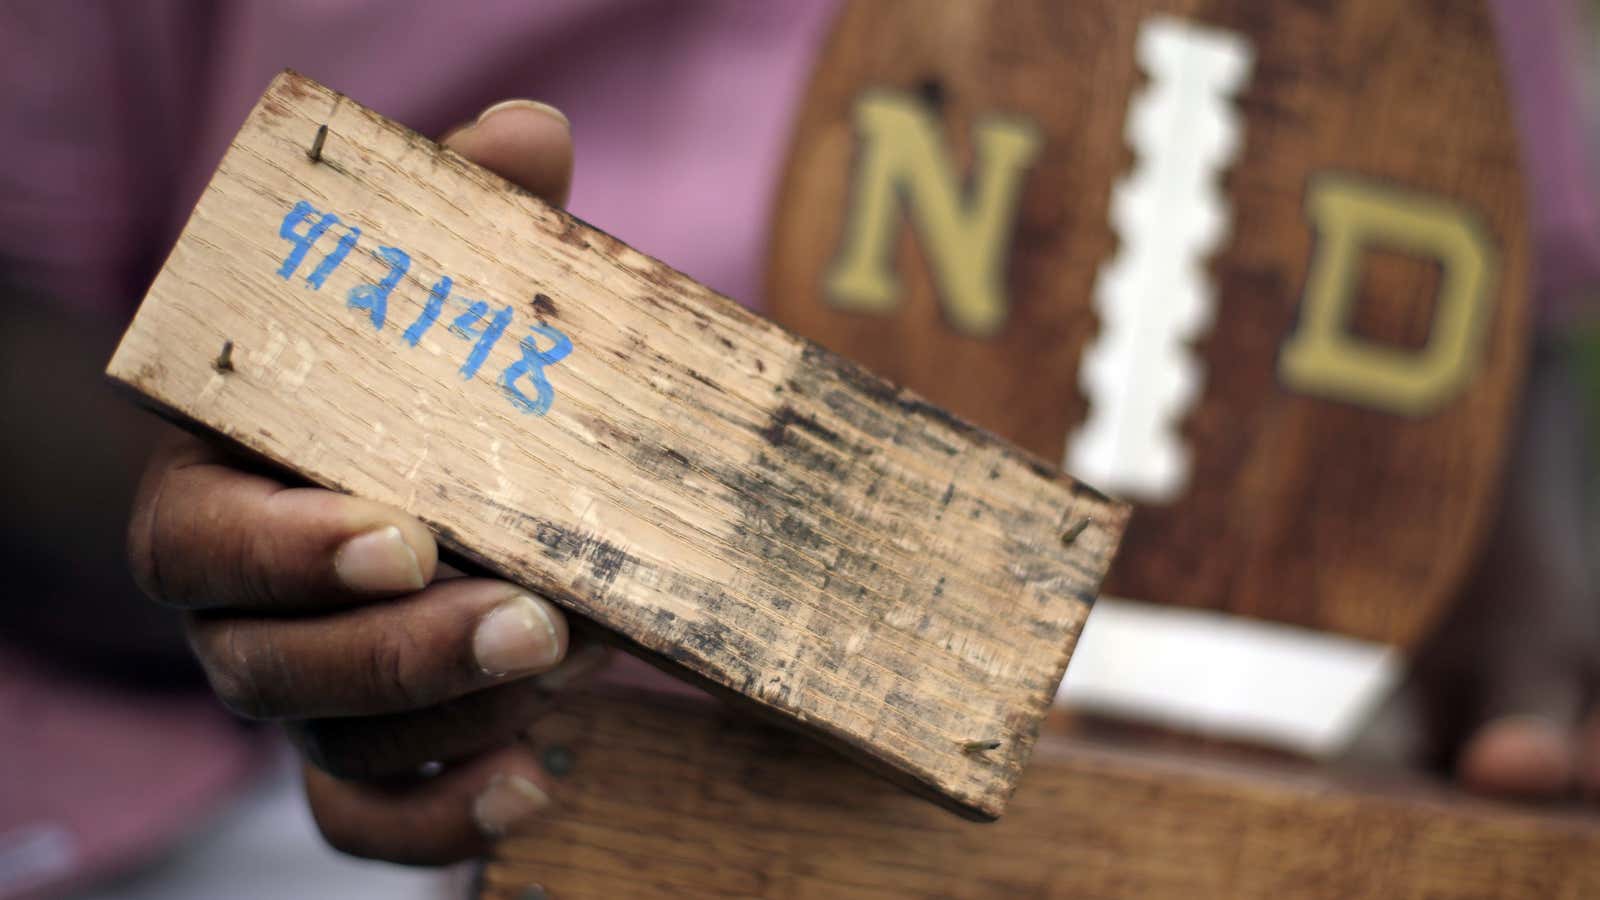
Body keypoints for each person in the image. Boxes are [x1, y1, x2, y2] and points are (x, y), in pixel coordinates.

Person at [0, 0, 1595, 892]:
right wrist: (287, 538)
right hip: (334, 788)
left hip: (1252, 734)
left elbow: (1475, 273)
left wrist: (1518, 634)